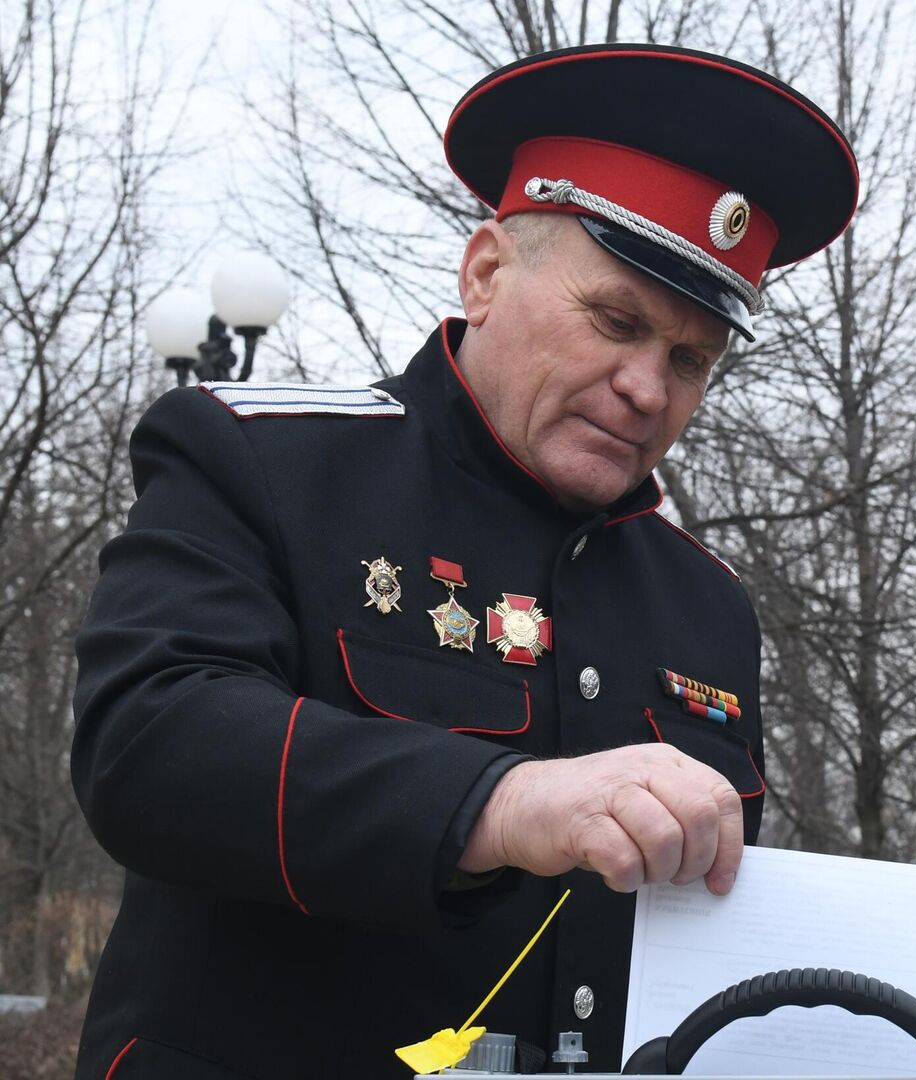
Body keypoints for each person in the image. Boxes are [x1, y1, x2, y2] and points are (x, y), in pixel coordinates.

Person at [68, 44, 858, 1080]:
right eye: (616, 322)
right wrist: (500, 801)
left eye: (688, 360)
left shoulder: (708, 608)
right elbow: (147, 744)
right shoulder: (262, 458)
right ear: (485, 274)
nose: (647, 390)